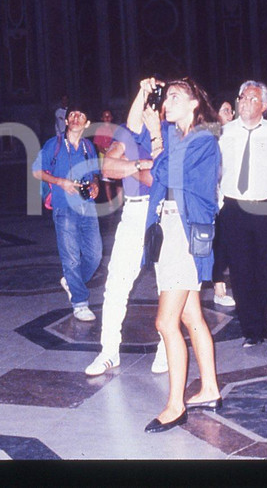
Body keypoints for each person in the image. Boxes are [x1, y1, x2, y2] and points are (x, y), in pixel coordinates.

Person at [137, 77, 222, 433]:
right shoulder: (180, 137)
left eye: (175, 97)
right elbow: (157, 171)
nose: (166, 102)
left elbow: (165, 173)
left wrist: (156, 137)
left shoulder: (203, 140)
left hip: (184, 236)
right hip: (172, 229)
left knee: (164, 322)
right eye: (165, 96)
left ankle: (175, 406)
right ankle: (211, 389)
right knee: (192, 318)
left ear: (194, 105)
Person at [84, 89, 165, 376]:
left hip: (163, 213)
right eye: (143, 104)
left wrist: (130, 168)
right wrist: (140, 165)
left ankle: (166, 350)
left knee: (166, 286)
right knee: (116, 283)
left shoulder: (170, 134)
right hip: (132, 211)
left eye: (151, 105)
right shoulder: (128, 136)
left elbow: (157, 179)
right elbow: (107, 165)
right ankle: (108, 351)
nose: (145, 111)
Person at [217, 80, 267, 347]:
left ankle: (261, 324)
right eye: (242, 97)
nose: (245, 103)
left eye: (252, 99)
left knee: (263, 269)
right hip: (234, 208)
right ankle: (250, 328)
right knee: (240, 269)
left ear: (264, 105)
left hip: (266, 207)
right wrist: (220, 204)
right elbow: (216, 170)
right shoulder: (224, 132)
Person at [32, 103, 102, 321]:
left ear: (87, 123)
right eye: (72, 114)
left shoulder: (88, 147)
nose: (75, 118)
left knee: (95, 255)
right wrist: (60, 181)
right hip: (64, 207)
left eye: (80, 115)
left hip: (87, 206)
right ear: (66, 120)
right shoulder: (53, 144)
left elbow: (95, 173)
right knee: (71, 257)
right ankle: (80, 302)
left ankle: (72, 281)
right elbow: (36, 172)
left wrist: (95, 184)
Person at [207, 100, 236, 307]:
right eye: (225, 110)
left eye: (231, 110)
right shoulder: (211, 135)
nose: (231, 113)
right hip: (215, 197)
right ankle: (218, 286)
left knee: (230, 242)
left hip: (234, 196)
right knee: (218, 243)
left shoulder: (237, 134)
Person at [93, 109, 122, 205]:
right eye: (105, 116)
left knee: (118, 180)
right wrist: (106, 153)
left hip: (115, 155)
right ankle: (110, 202)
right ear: (102, 118)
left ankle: (120, 202)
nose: (107, 118)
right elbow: (98, 146)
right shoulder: (99, 130)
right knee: (107, 182)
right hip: (104, 156)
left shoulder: (116, 129)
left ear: (112, 118)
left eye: (109, 116)